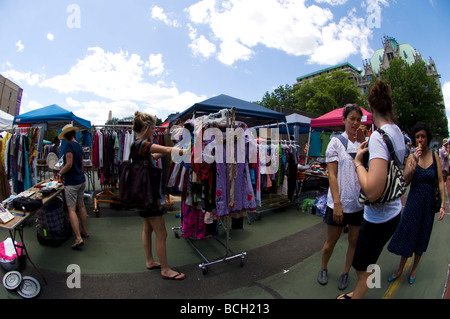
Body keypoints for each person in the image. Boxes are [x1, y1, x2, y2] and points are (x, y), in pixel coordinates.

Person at [338, 80, 406, 299]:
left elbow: (372, 192)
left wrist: (358, 162)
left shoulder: (379, 136)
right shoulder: (397, 132)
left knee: (361, 266)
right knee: (370, 260)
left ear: (371, 107)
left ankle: (356, 295)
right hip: (394, 211)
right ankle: (364, 289)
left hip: (378, 217)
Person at [386, 122, 445, 284]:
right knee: (408, 233)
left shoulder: (434, 156)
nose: (421, 140)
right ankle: (400, 269)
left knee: (422, 235)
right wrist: (414, 163)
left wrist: (442, 205)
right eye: (418, 136)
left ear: (428, 138)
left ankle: (413, 270)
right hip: (414, 201)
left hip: (428, 203)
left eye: (423, 136)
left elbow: (440, 181)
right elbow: (405, 181)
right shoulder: (412, 157)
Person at [131, 111, 186, 281]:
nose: (154, 131)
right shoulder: (143, 144)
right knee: (162, 234)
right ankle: (166, 269)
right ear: (147, 127)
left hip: (141, 194)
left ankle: (150, 261)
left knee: (147, 228)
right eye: (153, 128)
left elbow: (153, 155)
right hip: (148, 195)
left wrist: (165, 153)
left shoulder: (137, 145)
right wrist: (185, 149)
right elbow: (169, 148)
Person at [318, 104, 365, 290]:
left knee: (353, 241)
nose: (355, 123)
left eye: (358, 119)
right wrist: (337, 203)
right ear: (344, 120)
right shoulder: (335, 142)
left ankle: (345, 272)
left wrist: (365, 143)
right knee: (331, 242)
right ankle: (323, 267)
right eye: (351, 119)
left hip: (357, 204)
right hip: (337, 203)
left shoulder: (364, 143)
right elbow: (332, 175)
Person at [57, 124, 88, 249]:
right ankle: (84, 231)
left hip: (72, 182)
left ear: (65, 136)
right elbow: (80, 164)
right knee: (81, 206)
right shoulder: (79, 146)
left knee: (71, 209)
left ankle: (78, 238)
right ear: (74, 134)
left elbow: (69, 164)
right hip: (81, 179)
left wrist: (60, 172)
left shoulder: (69, 146)